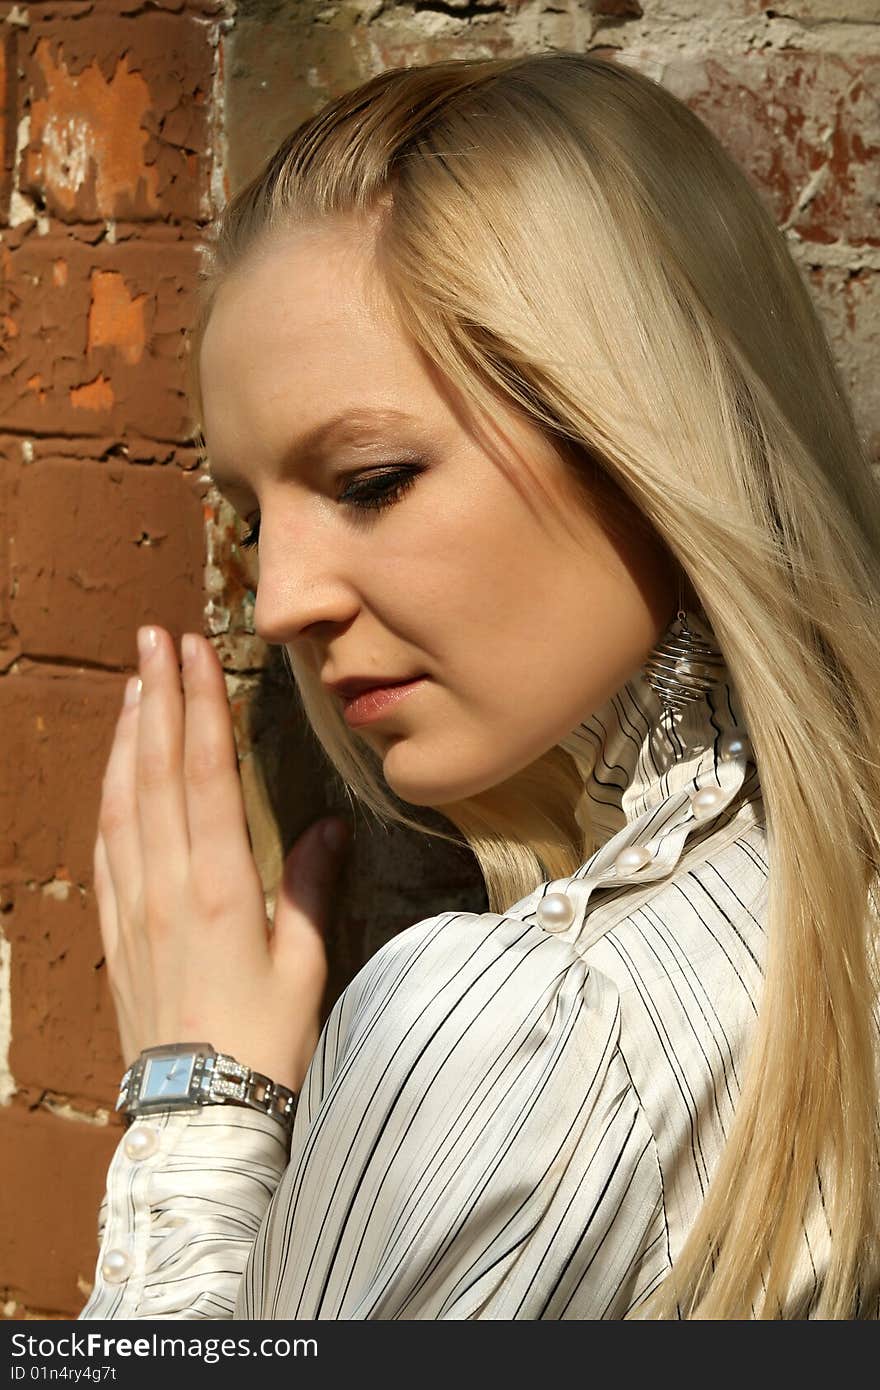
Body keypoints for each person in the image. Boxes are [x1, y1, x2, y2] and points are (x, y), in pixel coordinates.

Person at [78, 50, 880, 1321]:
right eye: (249, 518)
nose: (279, 600)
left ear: (638, 431)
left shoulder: (507, 1030)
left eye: (371, 479)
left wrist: (199, 1108)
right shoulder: (822, 925)